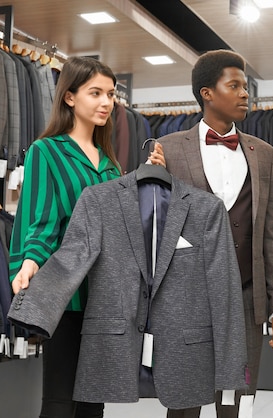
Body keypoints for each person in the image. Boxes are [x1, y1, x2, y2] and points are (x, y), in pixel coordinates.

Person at [9, 56, 160, 418]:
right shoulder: (47, 152)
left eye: (110, 94)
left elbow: (122, 231)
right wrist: (29, 261)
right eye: (95, 93)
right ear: (70, 97)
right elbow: (41, 220)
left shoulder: (110, 164)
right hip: (66, 296)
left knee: (94, 402)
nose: (106, 102)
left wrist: (147, 181)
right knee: (60, 401)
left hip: (106, 301)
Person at [154, 49, 273, 418]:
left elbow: (272, 238)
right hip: (187, 300)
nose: (245, 94)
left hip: (247, 300)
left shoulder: (263, 153)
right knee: (183, 404)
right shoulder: (166, 150)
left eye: (246, 87)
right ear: (207, 93)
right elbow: (155, 229)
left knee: (237, 402)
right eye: (234, 86)